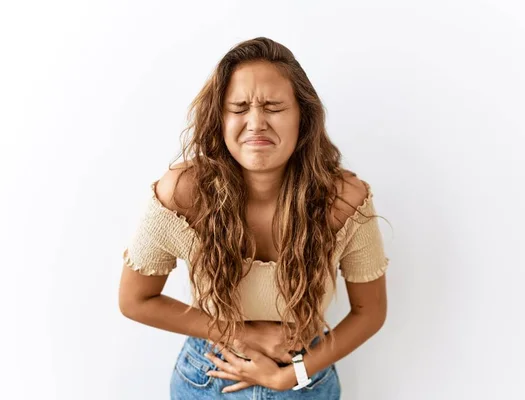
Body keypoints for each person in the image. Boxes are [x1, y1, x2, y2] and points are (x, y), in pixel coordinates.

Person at [118, 36, 389, 399]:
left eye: (273, 106)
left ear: (302, 118)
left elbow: (370, 312)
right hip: (207, 379)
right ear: (220, 118)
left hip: (304, 380)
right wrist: (240, 333)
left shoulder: (345, 199)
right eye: (239, 107)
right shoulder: (181, 193)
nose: (256, 122)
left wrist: (291, 375)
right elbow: (134, 300)